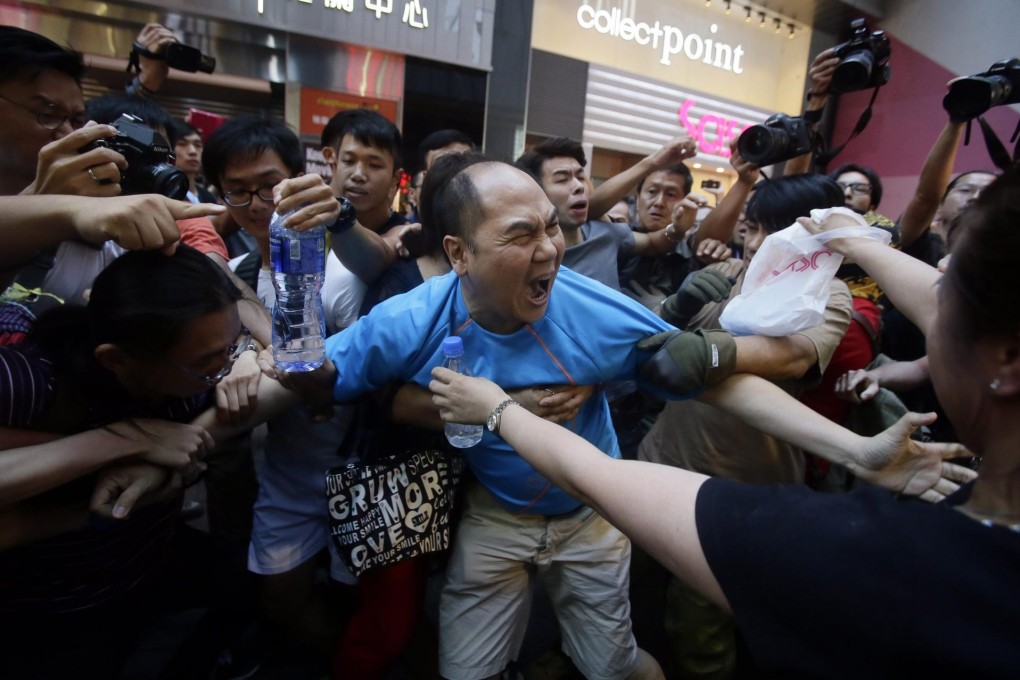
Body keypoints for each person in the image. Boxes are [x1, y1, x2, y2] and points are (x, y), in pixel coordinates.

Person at [288, 153, 968, 680]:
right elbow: (318, 380)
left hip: (594, 516)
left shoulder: (586, 303)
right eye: (522, 234)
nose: (551, 250)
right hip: (494, 517)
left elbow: (710, 381)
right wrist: (249, 366)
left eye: (552, 227)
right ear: (460, 252)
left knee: (615, 666)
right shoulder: (416, 314)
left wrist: (855, 450)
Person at [0, 245, 259, 678]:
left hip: (151, 560)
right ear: (115, 360)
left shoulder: (205, 364)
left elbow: (295, 377)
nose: (224, 368)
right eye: (209, 363)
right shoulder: (26, 382)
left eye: (231, 348)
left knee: (255, 580)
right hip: (60, 602)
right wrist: (123, 440)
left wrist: (249, 354)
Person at [636, 173, 852, 677]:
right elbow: (654, 346)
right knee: (624, 603)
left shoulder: (829, 293)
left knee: (700, 636)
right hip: (658, 467)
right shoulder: (733, 269)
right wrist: (678, 307)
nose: (750, 243)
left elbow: (793, 358)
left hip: (736, 497)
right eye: (750, 229)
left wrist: (708, 349)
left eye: (765, 232)